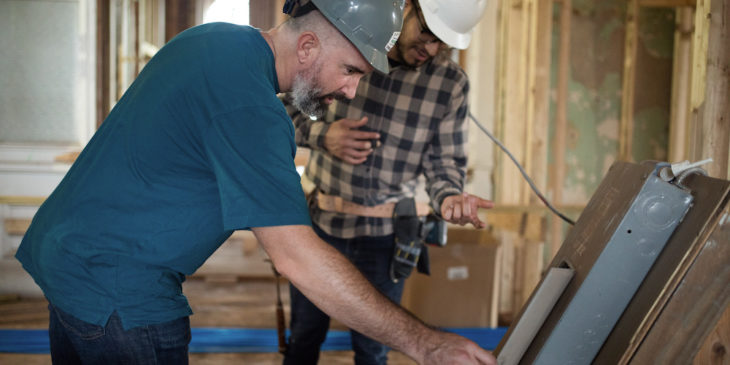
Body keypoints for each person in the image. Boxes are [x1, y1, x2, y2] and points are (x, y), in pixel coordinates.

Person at [15, 0, 496, 364]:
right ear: (307, 47)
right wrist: (427, 344)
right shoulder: (255, 112)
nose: (352, 90)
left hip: (67, 266)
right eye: (351, 71)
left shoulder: (213, 40)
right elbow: (295, 257)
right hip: (120, 298)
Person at [281, 0, 494, 364]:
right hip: (322, 224)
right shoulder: (348, 42)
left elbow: (445, 166)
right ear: (407, 7)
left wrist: (448, 199)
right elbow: (284, 111)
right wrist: (323, 136)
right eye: (426, 33)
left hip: (387, 237)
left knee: (373, 350)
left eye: (442, 43)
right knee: (303, 337)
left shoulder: (450, 84)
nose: (431, 49)